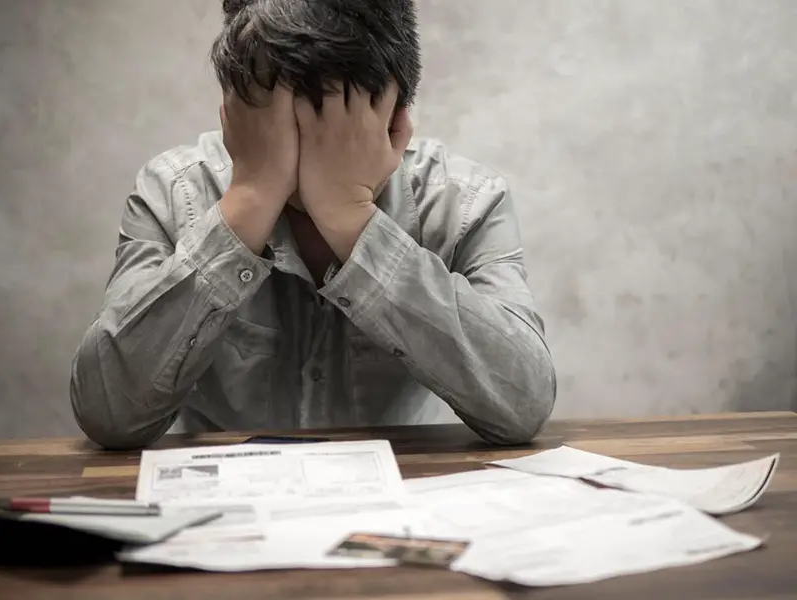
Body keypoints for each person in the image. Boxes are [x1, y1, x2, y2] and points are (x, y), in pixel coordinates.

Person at [70, 0, 557, 449]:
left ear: (396, 119)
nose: (303, 150)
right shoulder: (174, 191)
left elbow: (523, 406)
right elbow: (108, 415)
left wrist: (351, 217)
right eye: (282, 124)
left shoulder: (463, 201)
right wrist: (251, 197)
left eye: (328, 122)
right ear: (236, 113)